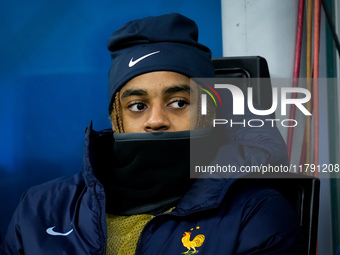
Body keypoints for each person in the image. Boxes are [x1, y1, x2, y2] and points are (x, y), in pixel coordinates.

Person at [0, 13, 305, 255]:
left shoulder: (255, 215)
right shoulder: (39, 209)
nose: (156, 120)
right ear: (115, 117)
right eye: (137, 105)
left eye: (179, 102)